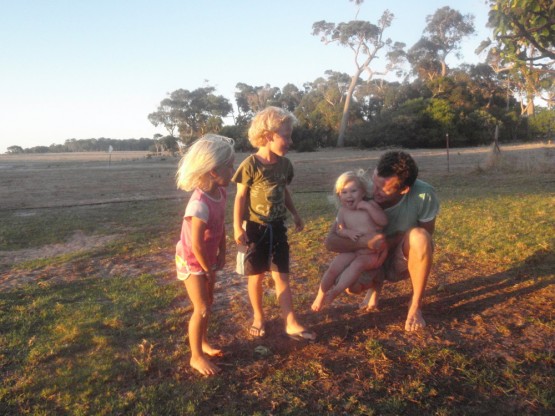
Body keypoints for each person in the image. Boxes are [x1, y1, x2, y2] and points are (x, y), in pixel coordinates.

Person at [325, 151, 439, 331]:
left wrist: (391, 241)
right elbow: (330, 241)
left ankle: (415, 305)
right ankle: (375, 287)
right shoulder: (361, 191)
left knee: (420, 237)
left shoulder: (424, 195)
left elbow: (426, 240)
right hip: (368, 256)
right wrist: (366, 243)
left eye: (383, 189)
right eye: (374, 182)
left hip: (399, 256)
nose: (374, 191)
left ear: (404, 189)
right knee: (351, 287)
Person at [233, 106, 316, 342]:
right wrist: (238, 227)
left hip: (278, 227)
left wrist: (296, 214)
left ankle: (290, 321)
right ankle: (258, 317)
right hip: (255, 229)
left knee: (282, 275)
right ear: (268, 136)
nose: (290, 141)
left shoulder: (285, 165)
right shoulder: (250, 165)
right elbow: (240, 197)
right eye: (286, 136)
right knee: (256, 276)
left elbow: (284, 191)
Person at [175, 134, 235, 376]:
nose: (233, 171)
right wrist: (208, 270)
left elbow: (220, 225)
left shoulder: (220, 193)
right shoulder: (198, 204)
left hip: (207, 259)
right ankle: (195, 357)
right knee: (200, 307)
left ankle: (203, 343)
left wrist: (223, 250)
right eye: (229, 166)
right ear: (213, 171)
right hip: (192, 261)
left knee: (208, 304)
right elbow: (196, 244)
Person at [311, 170, 388, 312]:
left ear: (363, 193)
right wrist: (347, 232)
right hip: (353, 250)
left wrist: (368, 207)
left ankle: (336, 291)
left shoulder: (370, 206)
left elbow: (383, 222)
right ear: (339, 195)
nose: (349, 195)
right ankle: (320, 295)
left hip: (371, 254)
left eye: (353, 191)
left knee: (357, 264)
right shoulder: (342, 212)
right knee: (334, 267)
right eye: (344, 192)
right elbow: (339, 230)